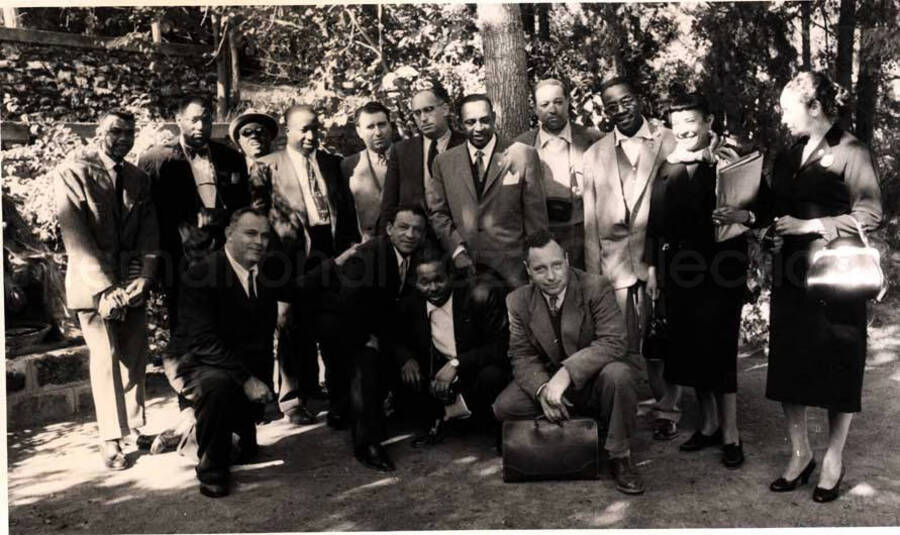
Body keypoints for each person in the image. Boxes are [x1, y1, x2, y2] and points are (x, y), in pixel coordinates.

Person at [763, 71, 882, 502]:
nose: (783, 117)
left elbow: (870, 214)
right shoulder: (787, 154)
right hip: (791, 274)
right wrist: (764, 230)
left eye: (787, 108)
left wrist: (812, 225)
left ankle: (833, 457)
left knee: (838, 365)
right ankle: (800, 453)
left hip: (837, 275)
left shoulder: (851, 150)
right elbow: (773, 211)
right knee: (790, 365)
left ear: (814, 107)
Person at [645, 93, 752, 469]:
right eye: (677, 124)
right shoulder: (668, 167)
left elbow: (758, 208)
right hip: (680, 272)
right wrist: (654, 271)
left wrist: (743, 214)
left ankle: (731, 434)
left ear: (708, 121)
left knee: (720, 349)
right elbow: (655, 226)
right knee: (691, 346)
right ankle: (707, 425)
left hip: (723, 269)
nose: (685, 129)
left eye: (692, 120)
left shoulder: (730, 161)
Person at [493, 230, 643, 495]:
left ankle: (620, 455)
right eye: (540, 269)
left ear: (566, 259)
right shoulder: (517, 301)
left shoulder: (595, 287)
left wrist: (565, 375)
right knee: (504, 407)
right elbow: (521, 356)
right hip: (551, 383)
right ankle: (582, 422)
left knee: (619, 375)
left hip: (595, 377)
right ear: (528, 270)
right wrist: (541, 392)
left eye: (557, 265)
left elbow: (614, 342)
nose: (551, 276)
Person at [54, 109, 159, 470]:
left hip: (131, 282)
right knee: (105, 357)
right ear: (98, 134)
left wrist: (144, 277)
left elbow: (149, 233)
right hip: (92, 285)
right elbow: (76, 238)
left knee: (135, 355)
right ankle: (111, 438)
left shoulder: (138, 179)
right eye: (115, 132)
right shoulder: (74, 172)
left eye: (130, 132)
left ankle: (137, 427)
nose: (123, 139)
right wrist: (104, 288)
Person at [581, 77, 682, 441]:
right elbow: (590, 222)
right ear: (603, 110)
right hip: (613, 266)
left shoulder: (669, 141)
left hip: (658, 261)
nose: (620, 110)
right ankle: (619, 411)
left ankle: (668, 409)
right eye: (611, 105)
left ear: (638, 99)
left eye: (626, 101)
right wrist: (595, 277)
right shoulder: (594, 155)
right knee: (617, 345)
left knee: (660, 342)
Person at [250, 104, 361, 425]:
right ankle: (292, 399)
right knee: (290, 325)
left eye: (315, 128)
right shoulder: (266, 166)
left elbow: (345, 210)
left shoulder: (331, 164)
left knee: (331, 322)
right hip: (287, 258)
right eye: (304, 129)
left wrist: (350, 250)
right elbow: (258, 218)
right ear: (288, 130)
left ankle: (333, 394)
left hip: (330, 250)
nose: (311, 135)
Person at [167, 208, 283, 498]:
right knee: (216, 386)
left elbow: (298, 291)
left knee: (246, 450)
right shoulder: (201, 273)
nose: (259, 241)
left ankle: (193, 433)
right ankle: (212, 471)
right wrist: (247, 381)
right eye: (250, 233)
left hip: (233, 359)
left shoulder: (263, 271)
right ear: (229, 234)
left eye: (265, 235)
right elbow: (203, 342)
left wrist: (338, 264)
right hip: (194, 361)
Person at [302, 204, 428, 471]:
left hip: (371, 318)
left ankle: (343, 409)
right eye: (404, 227)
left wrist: (402, 353)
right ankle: (367, 446)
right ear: (390, 229)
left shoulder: (418, 256)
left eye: (417, 229)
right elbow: (348, 304)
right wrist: (367, 338)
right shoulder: (368, 256)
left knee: (386, 354)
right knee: (365, 362)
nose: (410, 234)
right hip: (339, 320)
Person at [139, 95, 250, 335]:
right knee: (186, 323)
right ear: (179, 121)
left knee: (228, 322)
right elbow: (148, 215)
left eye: (207, 120)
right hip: (180, 257)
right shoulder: (156, 160)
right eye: (194, 120)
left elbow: (243, 206)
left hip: (225, 253)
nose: (201, 127)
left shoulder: (231, 158)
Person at [426, 93, 549, 289]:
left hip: (513, 269)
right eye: (470, 122)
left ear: (494, 117)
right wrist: (457, 251)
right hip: (466, 267)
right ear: (459, 123)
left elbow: (536, 218)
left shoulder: (523, 155)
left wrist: (536, 263)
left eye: (484, 120)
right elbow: (438, 213)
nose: (478, 128)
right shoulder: (444, 162)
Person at [394, 247, 510, 447]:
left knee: (493, 375)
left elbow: (500, 346)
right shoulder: (410, 305)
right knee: (405, 375)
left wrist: (458, 364)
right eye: (424, 282)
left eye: (439, 280)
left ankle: (479, 420)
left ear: (451, 276)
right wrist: (407, 359)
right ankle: (439, 418)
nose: (432, 288)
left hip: (474, 368)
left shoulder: (478, 296)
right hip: (438, 375)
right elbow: (395, 338)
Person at [514, 78, 602, 269]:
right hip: (542, 236)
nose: (552, 109)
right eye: (544, 104)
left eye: (558, 102)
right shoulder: (521, 145)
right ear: (535, 109)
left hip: (583, 234)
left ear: (568, 102)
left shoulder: (594, 140)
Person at [380, 81, 466, 232]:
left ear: (445, 109)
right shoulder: (402, 151)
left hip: (460, 234)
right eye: (417, 113)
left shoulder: (466, 145)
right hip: (416, 239)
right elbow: (389, 203)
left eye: (428, 110)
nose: (423, 118)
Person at [341, 101, 394, 241]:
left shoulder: (409, 156)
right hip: (370, 249)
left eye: (382, 124)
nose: (378, 133)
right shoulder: (348, 166)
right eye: (370, 127)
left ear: (390, 125)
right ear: (359, 132)